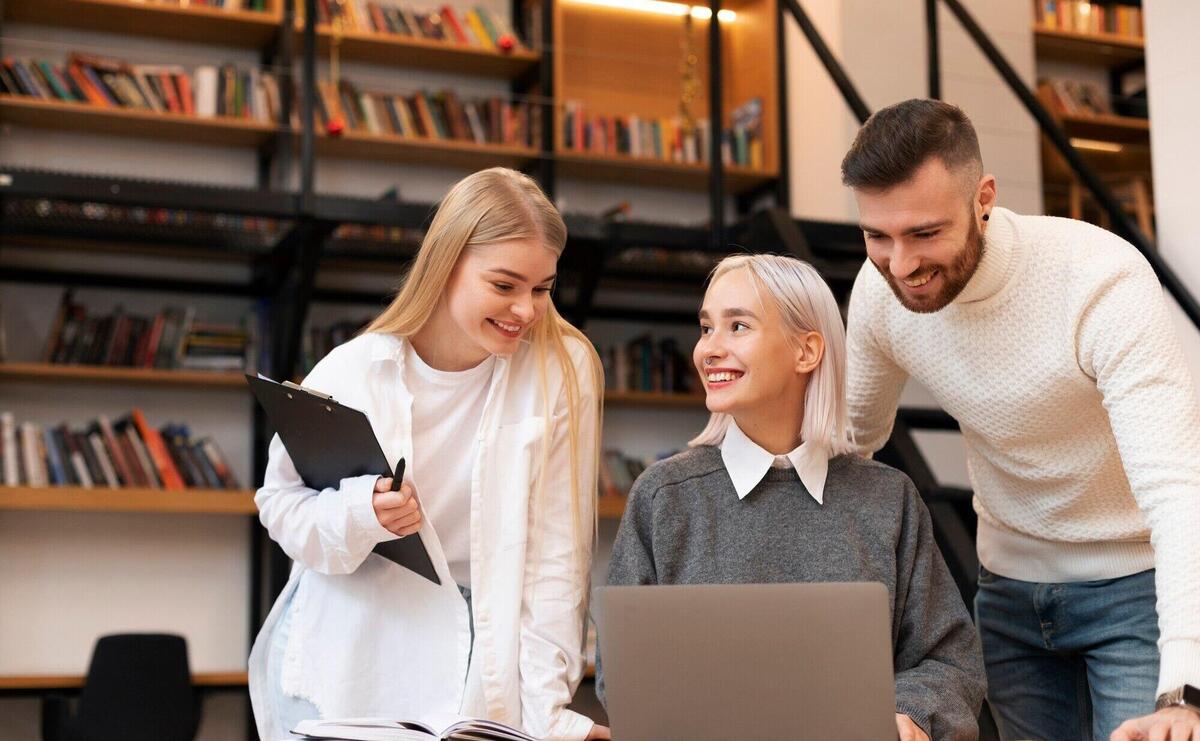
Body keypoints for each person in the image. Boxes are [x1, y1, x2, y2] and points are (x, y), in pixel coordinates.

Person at [842, 98, 1200, 741]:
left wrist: (1186, 690)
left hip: (1135, 590)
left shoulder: (1099, 280)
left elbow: (1178, 491)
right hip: (1006, 595)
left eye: (925, 233)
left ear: (983, 197)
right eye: (877, 236)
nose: (901, 265)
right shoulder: (878, 295)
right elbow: (846, 450)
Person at [248, 168, 610, 741]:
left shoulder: (561, 369)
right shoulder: (354, 368)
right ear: (446, 265)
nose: (526, 310)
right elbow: (280, 506)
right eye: (504, 285)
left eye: (542, 288)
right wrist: (361, 514)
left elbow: (557, 561)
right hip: (349, 659)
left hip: (477, 655)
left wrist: (548, 715)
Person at [599, 253, 986, 741]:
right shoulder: (664, 498)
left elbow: (949, 660)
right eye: (705, 328)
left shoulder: (888, 499)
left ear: (807, 351)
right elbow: (623, 673)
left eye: (737, 326)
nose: (708, 350)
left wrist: (909, 715)